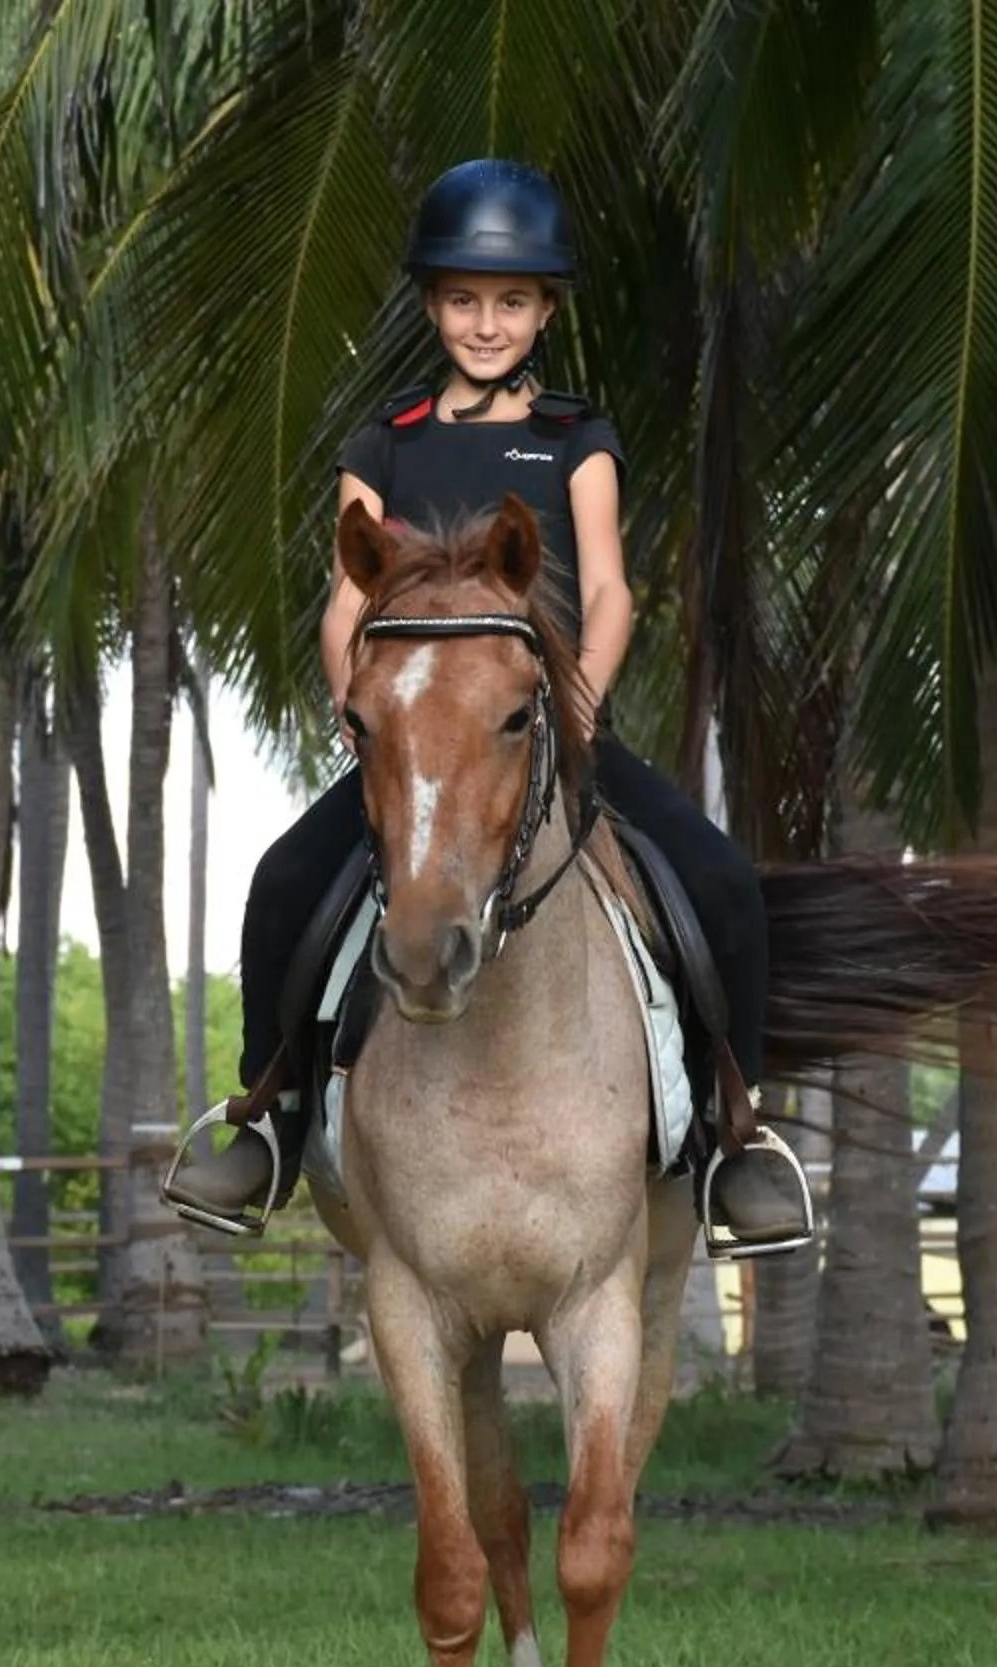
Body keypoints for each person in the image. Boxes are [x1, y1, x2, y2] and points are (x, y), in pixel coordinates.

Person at [165, 158, 812, 1252]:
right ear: (432, 304)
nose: (486, 322)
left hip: (545, 734)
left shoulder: (575, 438)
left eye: (510, 302)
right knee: (283, 882)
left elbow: (607, 589)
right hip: (413, 744)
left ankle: (733, 1136)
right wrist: (365, 717)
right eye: (464, 299)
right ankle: (266, 1121)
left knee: (723, 885)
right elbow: (347, 604)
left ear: (545, 309)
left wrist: (582, 706)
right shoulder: (386, 441)